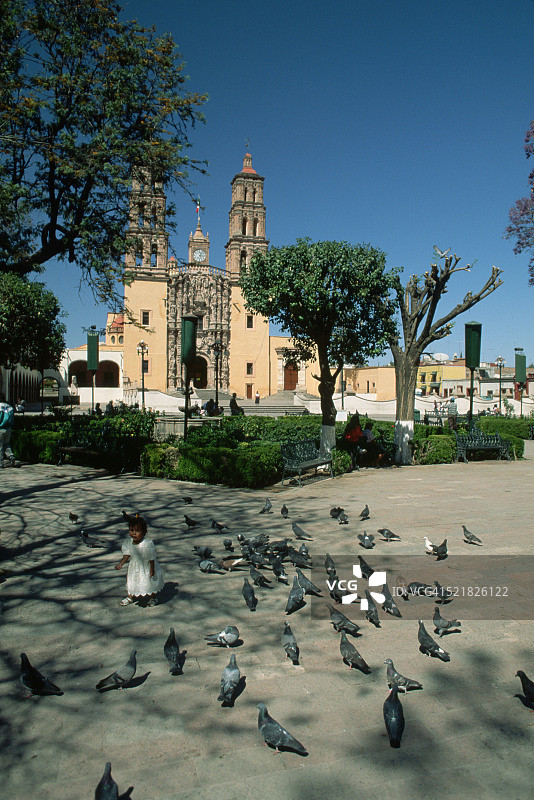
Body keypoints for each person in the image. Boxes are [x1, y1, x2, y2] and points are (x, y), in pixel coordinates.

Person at [115, 514, 164, 607]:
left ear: (144, 532)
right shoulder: (128, 543)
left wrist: (152, 569)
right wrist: (120, 564)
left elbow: (151, 557)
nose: (134, 533)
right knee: (132, 582)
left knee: (149, 582)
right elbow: (126, 555)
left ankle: (153, 597)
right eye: (131, 530)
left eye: (137, 531)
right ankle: (130, 597)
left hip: (146, 567)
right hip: (134, 568)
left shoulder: (147, 543)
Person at [0, 393, 16, 467]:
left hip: (1, 428)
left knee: (0, 446)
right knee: (7, 444)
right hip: (8, 428)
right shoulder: (9, 407)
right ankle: (11, 456)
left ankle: (0, 462)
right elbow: (12, 418)